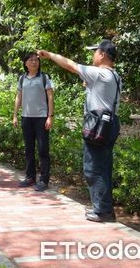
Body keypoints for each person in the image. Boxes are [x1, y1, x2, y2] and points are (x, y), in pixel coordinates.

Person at [38, 39, 122, 222]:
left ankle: (102, 211)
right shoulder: (115, 76)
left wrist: (50, 55)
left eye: (95, 52)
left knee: (92, 168)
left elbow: (70, 65)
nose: (93, 55)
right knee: (104, 166)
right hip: (111, 123)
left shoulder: (99, 74)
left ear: (102, 55)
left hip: (98, 125)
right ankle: (105, 208)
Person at [12, 52, 54, 192]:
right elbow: (19, 97)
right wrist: (15, 115)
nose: (34, 62)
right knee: (29, 149)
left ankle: (44, 179)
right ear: (25, 63)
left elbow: (50, 97)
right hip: (26, 117)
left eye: (36, 60)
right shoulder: (22, 78)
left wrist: (50, 116)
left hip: (41, 118)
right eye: (31, 60)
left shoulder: (44, 77)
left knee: (43, 149)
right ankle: (30, 177)